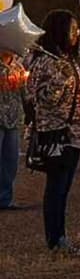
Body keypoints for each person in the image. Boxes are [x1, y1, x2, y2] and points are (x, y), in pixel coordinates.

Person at [29, 10, 80, 255]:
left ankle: (60, 235)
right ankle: (55, 239)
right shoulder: (46, 61)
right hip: (54, 132)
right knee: (56, 187)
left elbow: (73, 94)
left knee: (64, 188)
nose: (77, 34)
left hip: (73, 132)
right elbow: (42, 98)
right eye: (72, 29)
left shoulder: (68, 59)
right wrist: (60, 80)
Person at [0, 48, 27, 209]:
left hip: (14, 118)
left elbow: (24, 93)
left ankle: (5, 198)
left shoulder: (18, 68)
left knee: (10, 160)